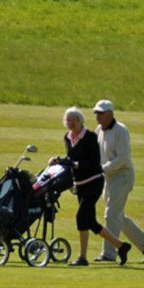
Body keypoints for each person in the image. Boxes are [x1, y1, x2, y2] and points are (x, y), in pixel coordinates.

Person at [61, 106, 125, 266]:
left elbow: (94, 162)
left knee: (81, 216)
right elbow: (71, 159)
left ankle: (82, 257)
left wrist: (76, 165)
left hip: (94, 181)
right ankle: (121, 246)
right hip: (80, 184)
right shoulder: (67, 137)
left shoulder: (89, 136)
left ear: (80, 121)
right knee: (90, 221)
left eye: (73, 120)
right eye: (68, 120)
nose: (70, 123)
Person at [94, 100, 144, 263]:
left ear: (110, 114)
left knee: (111, 214)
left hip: (122, 175)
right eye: (96, 113)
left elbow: (123, 158)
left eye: (101, 113)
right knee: (117, 215)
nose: (97, 116)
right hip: (108, 177)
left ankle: (109, 253)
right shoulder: (99, 130)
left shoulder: (120, 130)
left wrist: (103, 168)